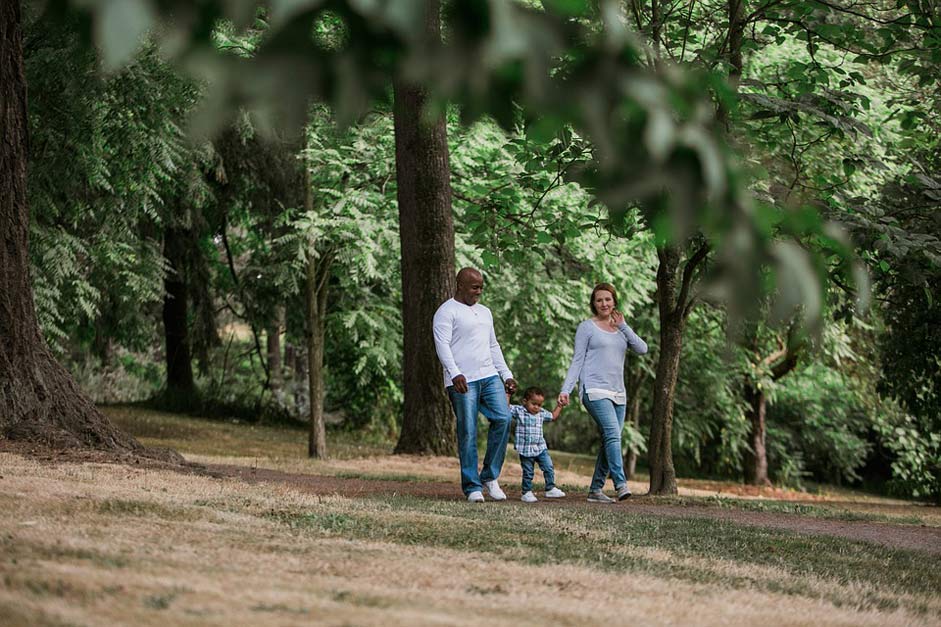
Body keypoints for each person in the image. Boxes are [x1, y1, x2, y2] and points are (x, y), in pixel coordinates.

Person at [433, 267, 517, 502]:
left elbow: (493, 345)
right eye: (474, 287)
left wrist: (506, 374)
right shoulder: (446, 312)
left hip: (489, 375)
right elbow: (442, 345)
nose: (479, 291)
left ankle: (489, 477)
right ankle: (472, 487)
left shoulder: (485, 312)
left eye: (481, 287)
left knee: (503, 418)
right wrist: (455, 373)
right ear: (460, 285)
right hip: (462, 380)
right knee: (468, 431)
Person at [558, 282, 648, 503]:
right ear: (593, 303)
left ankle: (596, 490)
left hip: (618, 393)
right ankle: (620, 483)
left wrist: (624, 326)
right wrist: (566, 389)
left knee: (611, 439)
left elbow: (642, 349)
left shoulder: (621, 329)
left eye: (608, 299)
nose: (604, 303)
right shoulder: (586, 328)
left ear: (614, 301)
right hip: (594, 389)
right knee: (612, 434)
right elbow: (577, 360)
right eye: (599, 300)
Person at [508, 386, 566, 503]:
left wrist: (559, 406)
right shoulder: (520, 411)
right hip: (526, 449)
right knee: (528, 472)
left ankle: (550, 488)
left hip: (540, 448)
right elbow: (506, 408)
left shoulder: (541, 413)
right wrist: (508, 394)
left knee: (548, 467)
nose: (537, 407)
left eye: (539, 405)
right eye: (534, 404)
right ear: (525, 402)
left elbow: (553, 416)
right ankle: (526, 492)